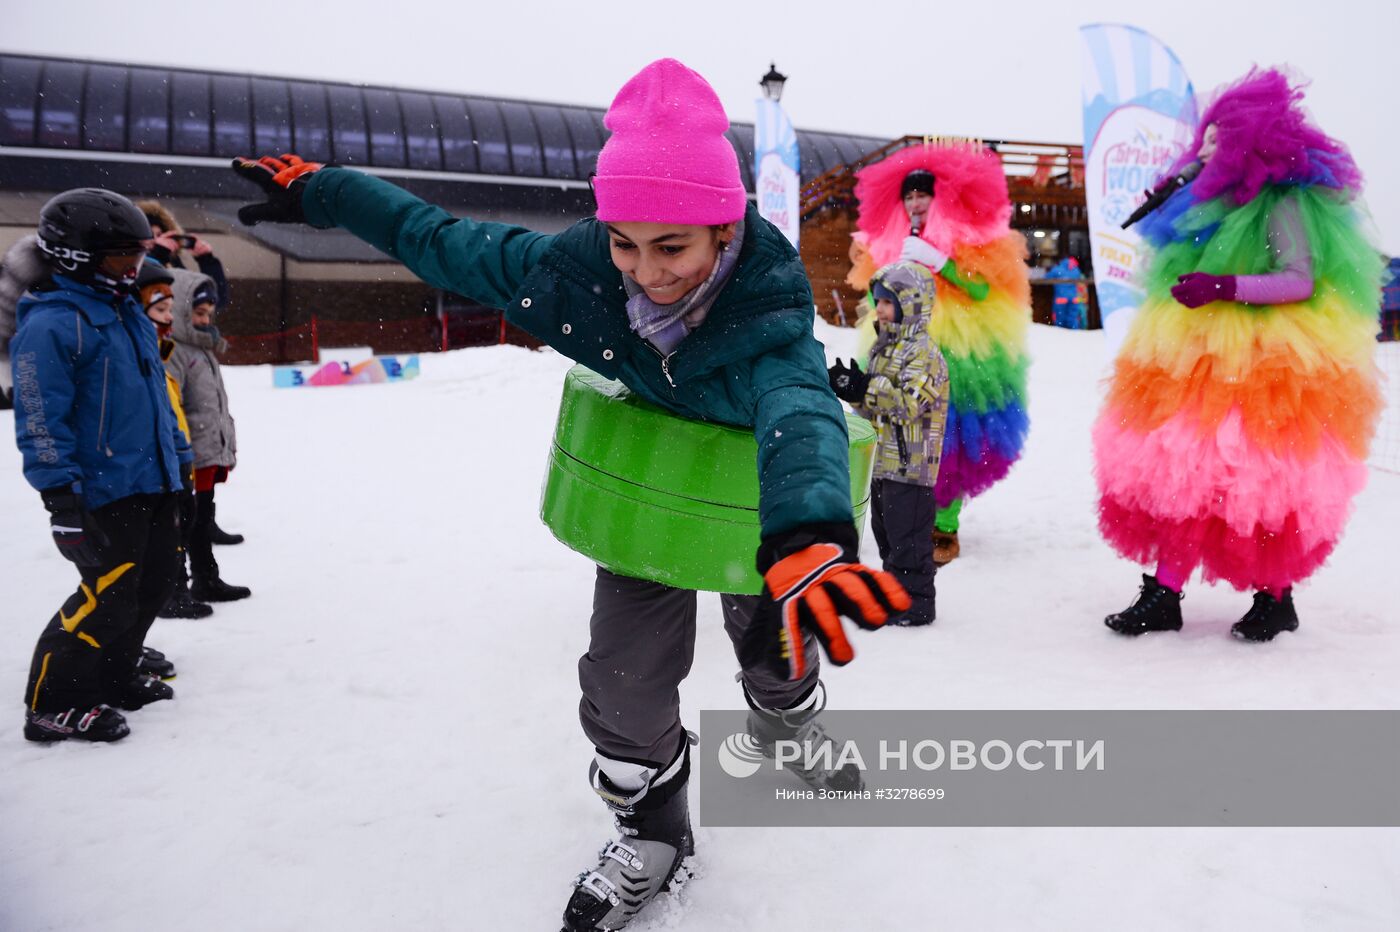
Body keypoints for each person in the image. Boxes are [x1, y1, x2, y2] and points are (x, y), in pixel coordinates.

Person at [230, 58, 907, 931]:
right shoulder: (574, 277)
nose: (648, 271)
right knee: (621, 681)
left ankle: (787, 724)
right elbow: (438, 237)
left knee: (776, 644)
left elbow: (803, 418)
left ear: (723, 230)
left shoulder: (768, 322)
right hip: (652, 507)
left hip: (758, 507)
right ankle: (653, 832)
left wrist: (810, 529)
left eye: (673, 246)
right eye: (626, 241)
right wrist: (327, 190)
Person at [1095, 67, 1383, 641]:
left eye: (1220, 137)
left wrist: (1222, 287)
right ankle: (1165, 593)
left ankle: (1275, 598)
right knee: (1187, 472)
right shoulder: (1213, 194)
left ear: (1253, 142)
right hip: (1195, 353)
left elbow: (1297, 279)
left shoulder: (1283, 202)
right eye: (1206, 135)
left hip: (1267, 363)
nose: (1206, 146)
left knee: (1255, 478)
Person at [11, 188, 193, 742]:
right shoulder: (52, 325)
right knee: (108, 596)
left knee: (155, 584)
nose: (132, 267)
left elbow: (156, 397)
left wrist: (180, 463)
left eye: (136, 254)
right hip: (100, 490)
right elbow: (41, 418)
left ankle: (115, 674)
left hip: (154, 478)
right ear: (74, 255)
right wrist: (60, 496)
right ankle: (53, 701)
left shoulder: (126, 312)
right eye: (119, 256)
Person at [848, 144, 1031, 566]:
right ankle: (914, 513)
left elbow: (984, 288)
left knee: (952, 432)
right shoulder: (898, 238)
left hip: (960, 345)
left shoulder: (971, 236)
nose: (914, 204)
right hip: (901, 341)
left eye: (921, 195)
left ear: (938, 198)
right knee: (902, 426)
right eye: (908, 197)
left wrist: (943, 262)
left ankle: (945, 525)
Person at [828, 261, 949, 625]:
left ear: (910, 305)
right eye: (877, 301)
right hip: (883, 461)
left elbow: (910, 403)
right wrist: (854, 389)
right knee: (887, 534)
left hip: (911, 464)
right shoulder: (885, 346)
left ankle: (916, 602)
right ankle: (893, 591)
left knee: (908, 538)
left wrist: (868, 387)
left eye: (887, 302)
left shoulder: (923, 352)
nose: (878, 309)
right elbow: (877, 403)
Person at [137, 199, 243, 545]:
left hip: (202, 416)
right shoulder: (136, 270)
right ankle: (189, 534)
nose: (155, 241)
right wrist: (155, 257)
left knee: (207, 470)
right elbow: (147, 296)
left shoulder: (195, 323)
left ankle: (204, 524)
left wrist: (206, 258)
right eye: (147, 236)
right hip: (181, 422)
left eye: (161, 235)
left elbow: (210, 298)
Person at [166, 269, 250, 603]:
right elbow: (173, 407)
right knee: (185, 523)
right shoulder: (173, 351)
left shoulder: (203, 348)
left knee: (201, 517)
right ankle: (176, 586)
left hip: (206, 449)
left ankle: (206, 578)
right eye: (198, 314)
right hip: (189, 452)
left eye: (208, 314)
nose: (204, 320)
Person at [137, 264, 213, 619]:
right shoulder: (158, 355)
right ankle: (173, 590)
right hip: (160, 460)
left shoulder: (163, 349)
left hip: (180, 452)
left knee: (184, 523)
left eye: (170, 310)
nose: (167, 318)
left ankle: (185, 584)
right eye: (161, 311)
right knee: (169, 533)